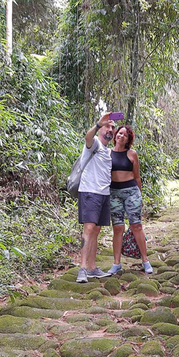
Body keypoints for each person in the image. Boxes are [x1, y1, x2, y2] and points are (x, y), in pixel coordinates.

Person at [107, 124, 153, 275]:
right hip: (114, 193)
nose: (121, 136)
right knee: (118, 228)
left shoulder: (132, 154)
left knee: (136, 226)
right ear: (115, 135)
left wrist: (140, 195)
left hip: (131, 192)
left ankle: (145, 260)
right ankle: (116, 263)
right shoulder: (107, 153)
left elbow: (137, 177)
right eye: (120, 133)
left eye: (125, 135)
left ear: (128, 139)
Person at [76, 113, 116, 283]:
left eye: (113, 127)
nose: (111, 129)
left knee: (96, 230)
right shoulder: (94, 144)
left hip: (103, 194)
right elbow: (88, 136)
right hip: (90, 192)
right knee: (89, 228)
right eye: (108, 126)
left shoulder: (107, 151)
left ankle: (92, 268)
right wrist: (99, 124)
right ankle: (82, 268)